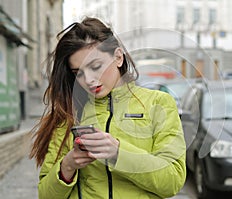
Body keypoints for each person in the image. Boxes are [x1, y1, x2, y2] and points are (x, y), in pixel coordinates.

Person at [30, 17, 186, 199]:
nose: (88, 79)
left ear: (118, 57)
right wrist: (67, 166)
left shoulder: (159, 103)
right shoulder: (70, 112)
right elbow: (45, 195)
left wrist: (119, 154)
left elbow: (173, 181)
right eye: (78, 73)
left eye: (95, 66)